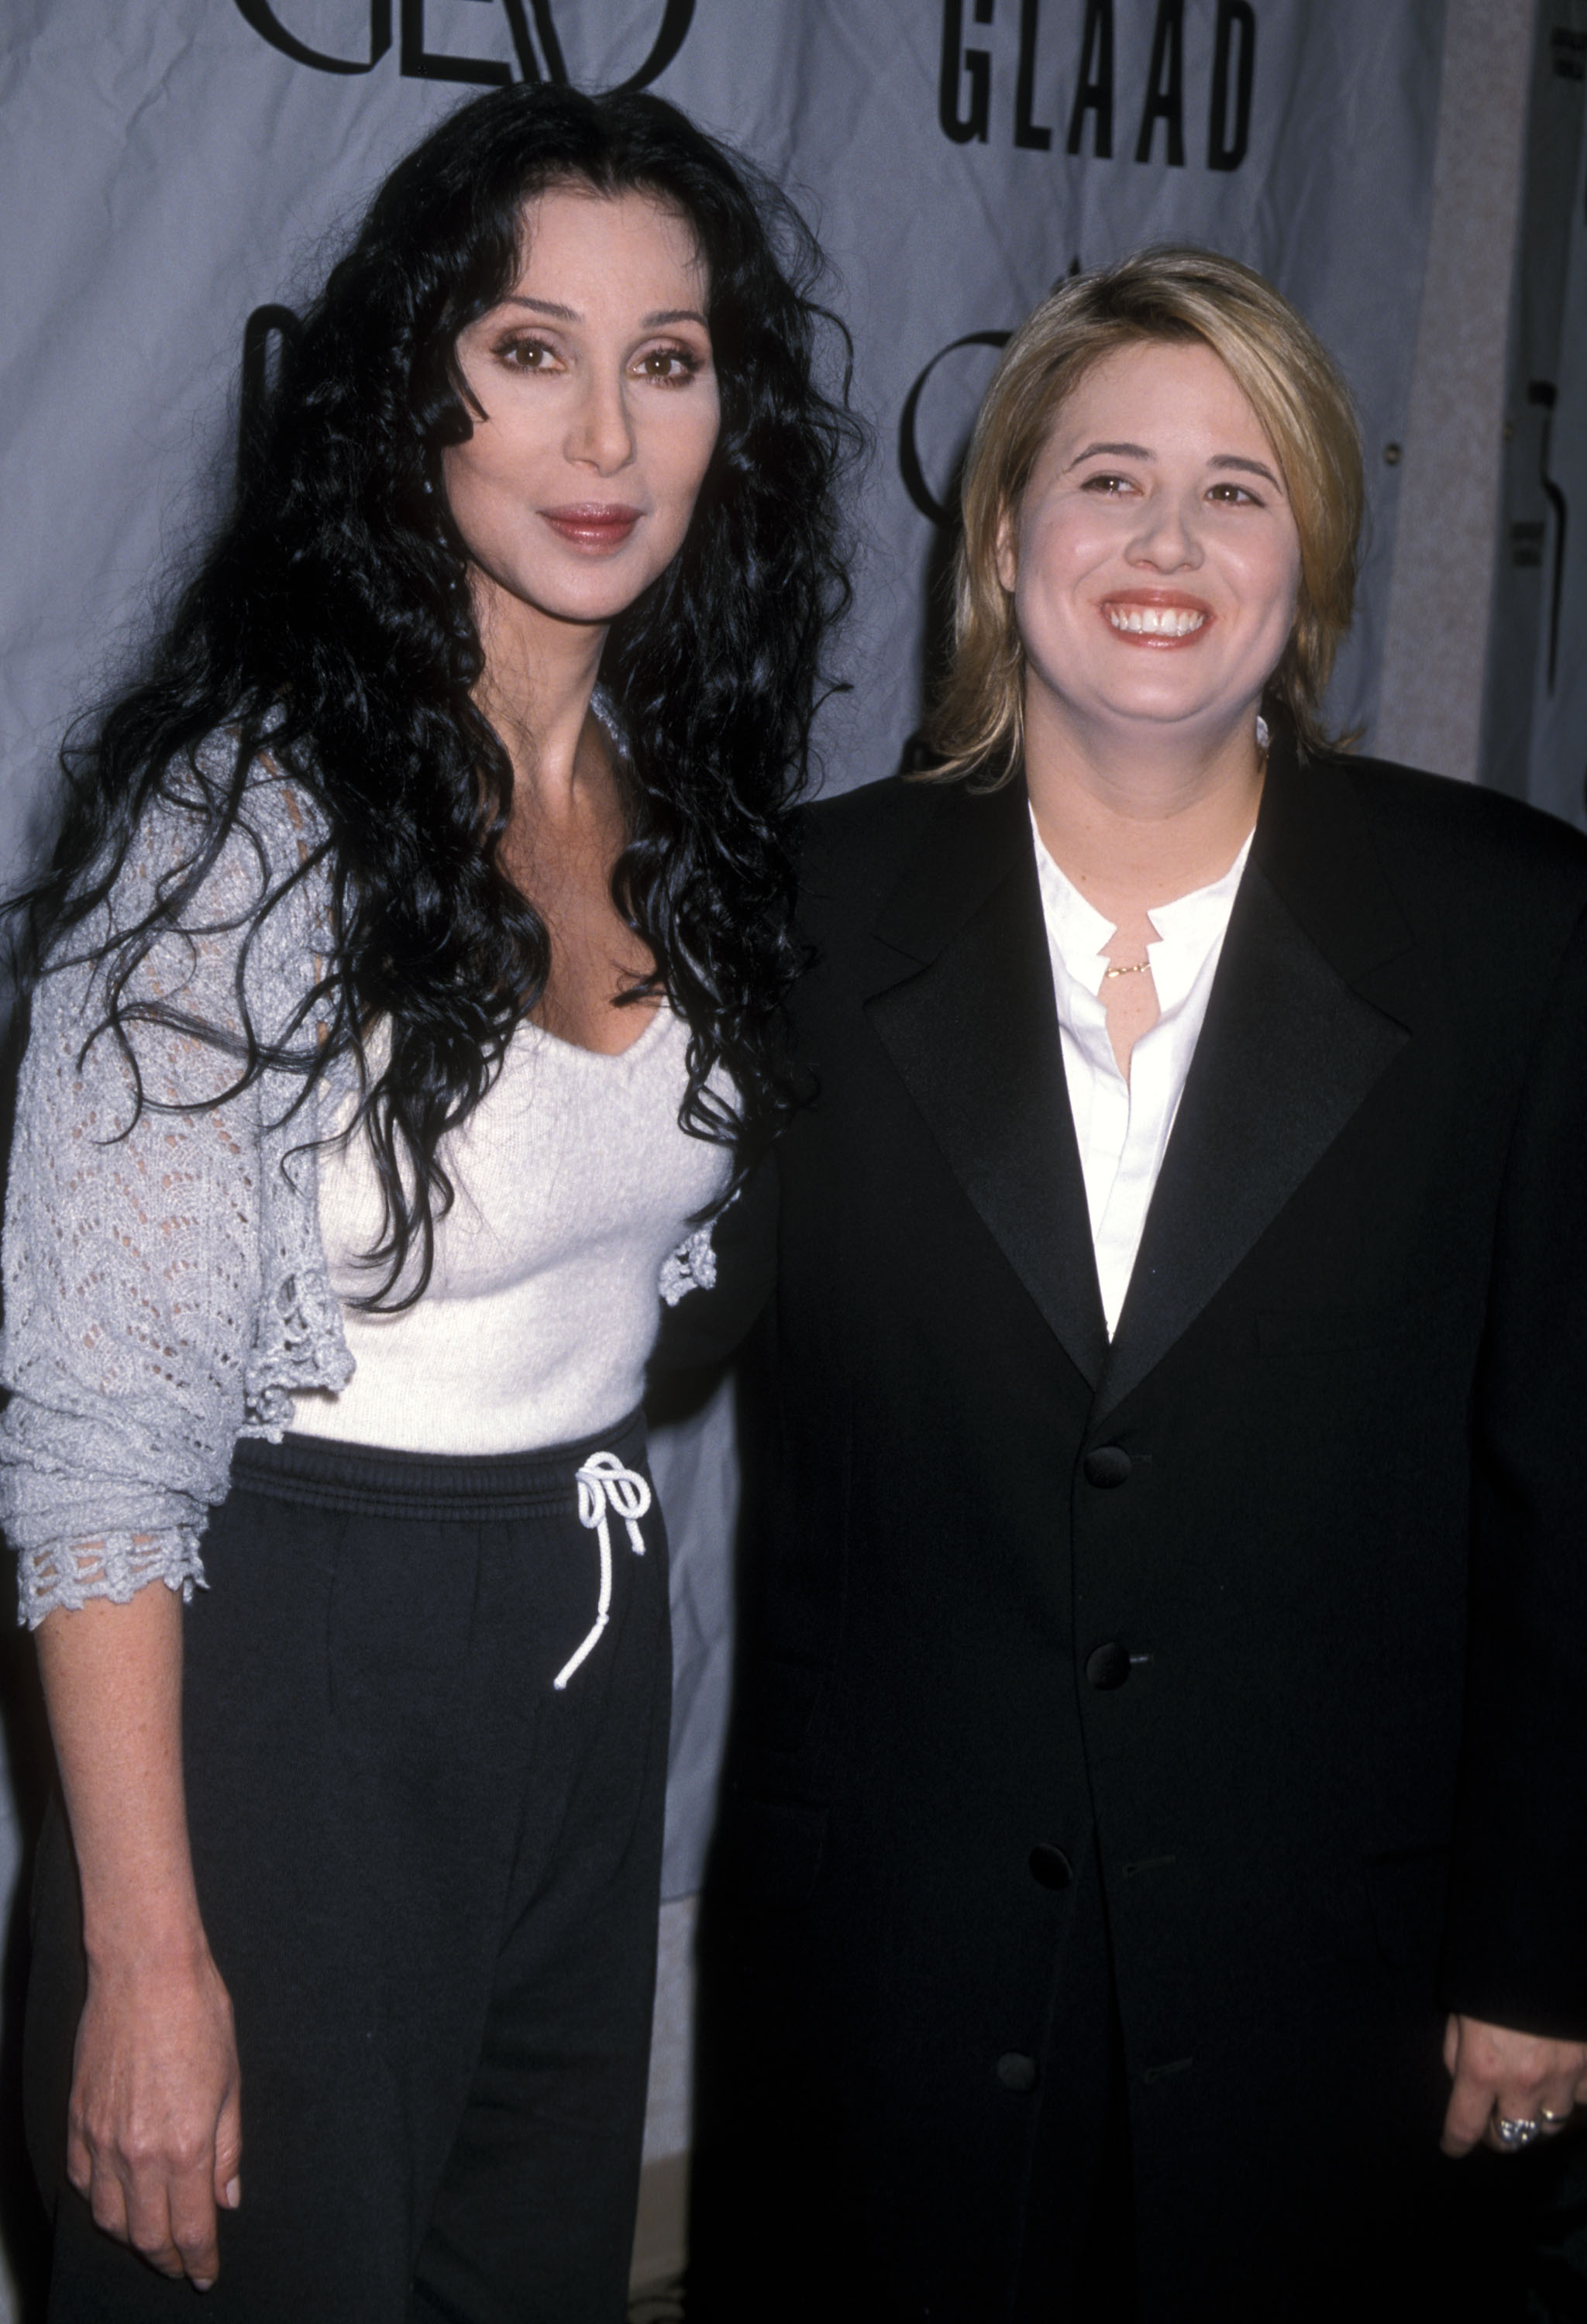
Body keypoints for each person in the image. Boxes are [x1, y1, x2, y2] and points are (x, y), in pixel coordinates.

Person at [1, 81, 852, 2322]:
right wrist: (147, 1956)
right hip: (283, 1677)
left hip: (573, 1652)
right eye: (527, 348)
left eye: (668, 361)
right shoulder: (244, 831)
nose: (602, 436)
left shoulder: (687, 804)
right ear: (414, 394)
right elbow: (95, 1450)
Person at [673, 249, 1587, 2319]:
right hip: (886, 1973)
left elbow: (1568, 1493)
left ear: (1311, 556)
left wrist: (1542, 1956)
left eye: (1240, 489)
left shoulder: (1514, 936)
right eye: (1109, 480)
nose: (1168, 545)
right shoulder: (789, 918)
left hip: (1335, 1990)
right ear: (1008, 539)